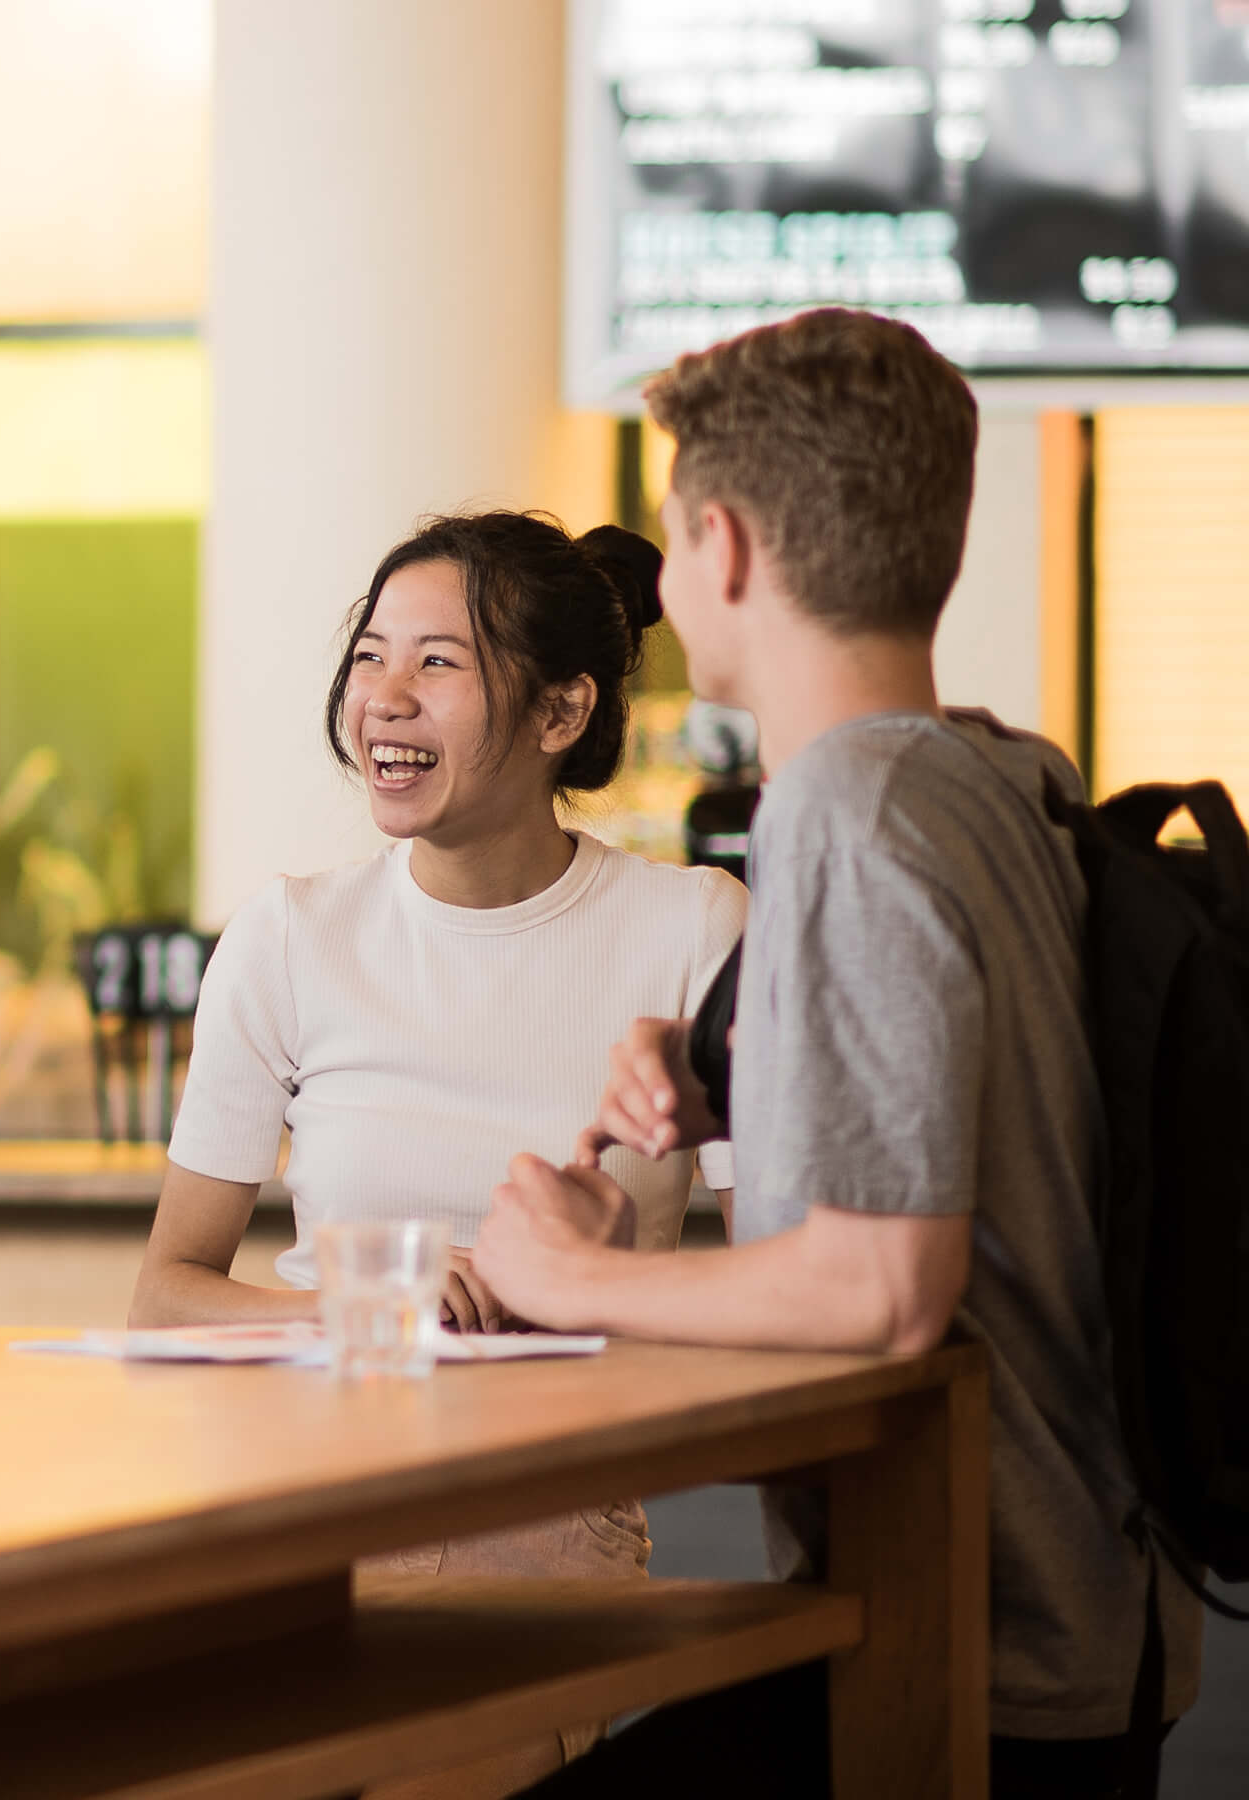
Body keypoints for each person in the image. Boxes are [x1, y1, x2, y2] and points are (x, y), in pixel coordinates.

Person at [478, 308, 1199, 1798]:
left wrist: (568, 1281)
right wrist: (736, 1059)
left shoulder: (843, 812)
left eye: (674, 545)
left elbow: (885, 1289)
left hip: (964, 1653)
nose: (669, 585)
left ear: (727, 549)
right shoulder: (1000, 771)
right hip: (1082, 1620)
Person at [132, 510, 743, 1793]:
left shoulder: (692, 930)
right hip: (301, 1486)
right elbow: (166, 1292)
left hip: (538, 1506)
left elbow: (778, 1293)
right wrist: (369, 1311)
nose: (381, 700)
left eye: (436, 664)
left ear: (559, 712)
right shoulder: (287, 936)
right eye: (367, 656)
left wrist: (576, 1291)